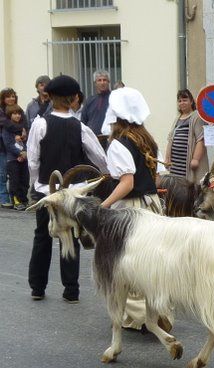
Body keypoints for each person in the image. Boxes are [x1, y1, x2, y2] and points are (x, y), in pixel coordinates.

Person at [27, 75, 108, 302]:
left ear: (50, 97)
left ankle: (37, 288)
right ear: (73, 99)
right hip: (73, 193)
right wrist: (101, 177)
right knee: (70, 236)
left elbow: (33, 159)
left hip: (47, 191)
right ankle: (71, 289)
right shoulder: (80, 127)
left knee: (42, 236)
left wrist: (37, 184)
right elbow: (100, 158)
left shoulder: (40, 124)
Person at [100, 86, 169, 331]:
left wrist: (103, 206)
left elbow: (126, 183)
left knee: (124, 264)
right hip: (152, 206)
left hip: (130, 211)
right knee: (152, 263)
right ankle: (158, 311)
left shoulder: (119, 144)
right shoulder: (148, 140)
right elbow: (159, 178)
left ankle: (140, 317)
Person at [165, 89, 208, 183]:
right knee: (177, 187)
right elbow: (170, 139)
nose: (182, 103)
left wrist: (195, 159)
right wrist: (167, 158)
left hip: (187, 165)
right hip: (176, 165)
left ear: (191, 101)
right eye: (179, 101)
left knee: (188, 189)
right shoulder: (177, 118)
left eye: (185, 100)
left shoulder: (196, 116)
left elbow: (200, 139)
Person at [0, 88, 27, 208]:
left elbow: (26, 125)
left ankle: (21, 199)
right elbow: (7, 125)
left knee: (21, 177)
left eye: (12, 96)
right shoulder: (1, 111)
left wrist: (24, 134)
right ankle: (5, 198)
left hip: (20, 151)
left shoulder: (19, 109)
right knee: (3, 174)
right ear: (3, 99)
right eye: (7, 96)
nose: (11, 99)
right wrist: (21, 131)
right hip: (4, 147)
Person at [81, 70, 111, 149]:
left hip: (109, 140)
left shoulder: (113, 99)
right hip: (92, 141)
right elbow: (83, 121)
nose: (102, 83)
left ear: (108, 82)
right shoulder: (90, 100)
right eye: (99, 80)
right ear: (95, 83)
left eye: (104, 80)